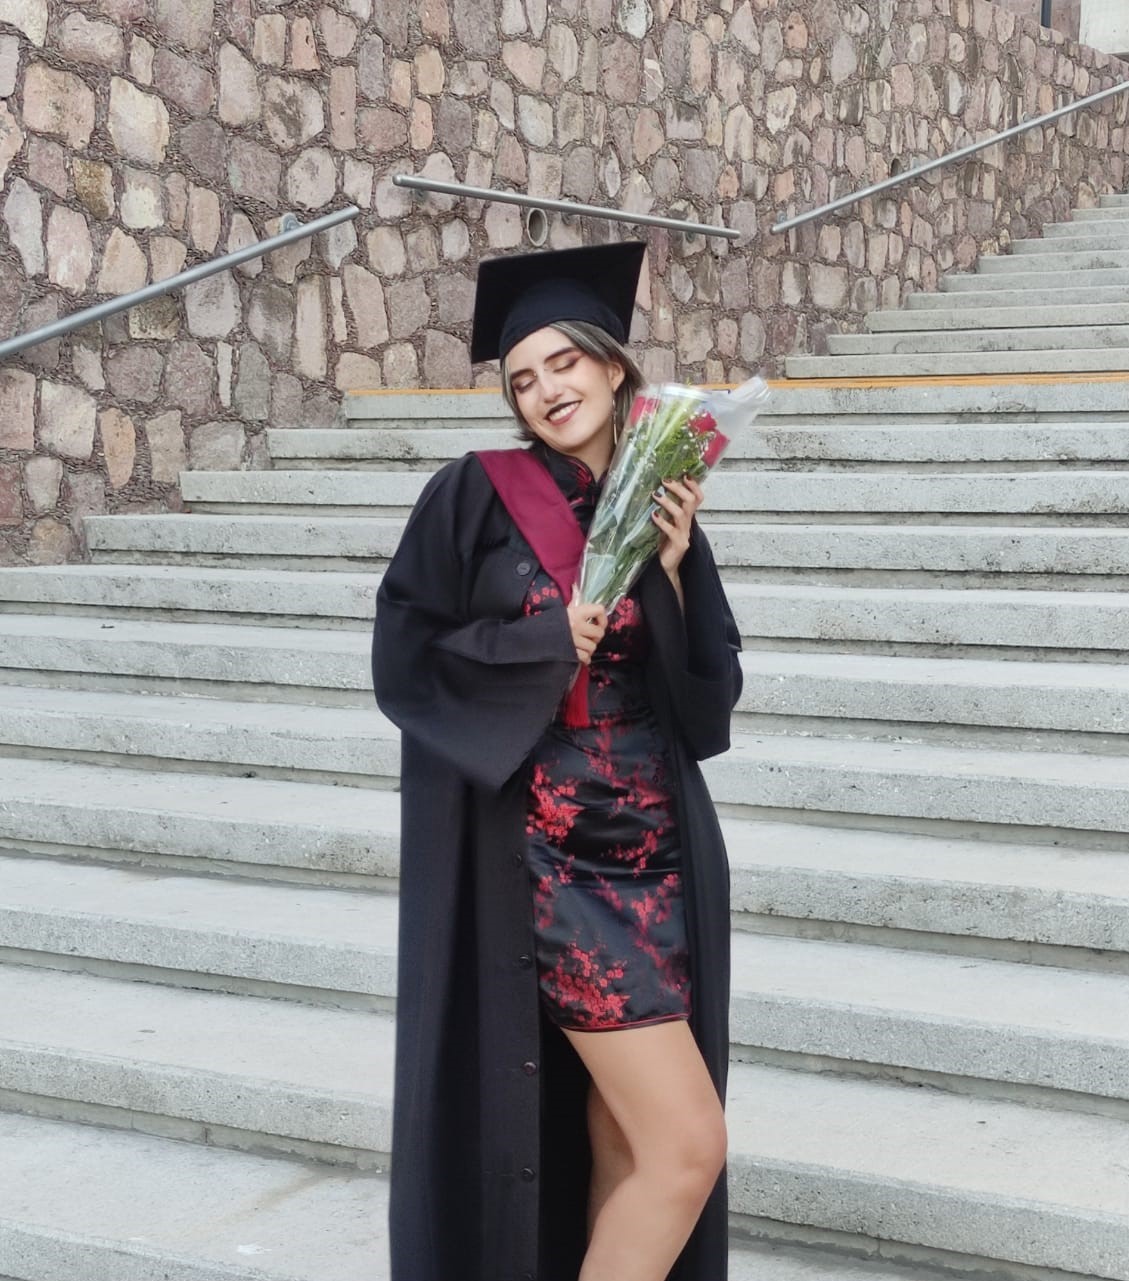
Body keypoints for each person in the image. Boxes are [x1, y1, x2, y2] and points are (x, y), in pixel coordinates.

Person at [372, 241, 742, 1281]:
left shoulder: (654, 494)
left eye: (562, 365)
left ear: (611, 364)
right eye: (522, 379)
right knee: (687, 1147)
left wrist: (671, 573)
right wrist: (543, 644)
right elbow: (406, 656)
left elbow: (706, 708)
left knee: (624, 1146)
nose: (544, 391)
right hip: (553, 867)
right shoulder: (473, 495)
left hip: (658, 854)